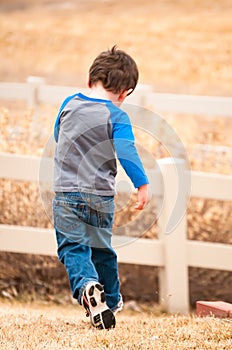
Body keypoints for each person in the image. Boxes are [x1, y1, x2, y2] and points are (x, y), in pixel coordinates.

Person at [52, 46, 149, 330]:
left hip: (66, 194)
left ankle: (87, 287)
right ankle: (111, 300)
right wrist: (141, 184)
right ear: (125, 92)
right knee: (101, 249)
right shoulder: (117, 116)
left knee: (73, 247)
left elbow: (59, 135)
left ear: (89, 81)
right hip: (100, 198)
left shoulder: (69, 103)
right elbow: (127, 151)